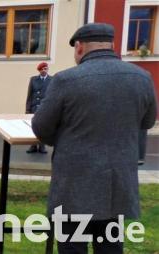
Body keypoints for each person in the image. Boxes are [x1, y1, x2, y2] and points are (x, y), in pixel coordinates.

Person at [32, 23, 157, 253]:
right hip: (117, 184)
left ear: (79, 47)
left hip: (75, 184)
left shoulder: (66, 80)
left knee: (72, 247)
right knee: (110, 246)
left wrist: (61, 136)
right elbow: (147, 122)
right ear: (111, 45)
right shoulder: (142, 78)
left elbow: (41, 127)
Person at [26, 62, 51, 154]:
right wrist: (27, 109)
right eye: (42, 69)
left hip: (45, 107)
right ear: (39, 70)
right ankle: (33, 145)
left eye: (46, 69)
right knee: (32, 127)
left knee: (43, 127)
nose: (44, 70)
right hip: (34, 107)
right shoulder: (33, 79)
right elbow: (29, 95)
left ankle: (42, 146)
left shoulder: (51, 80)